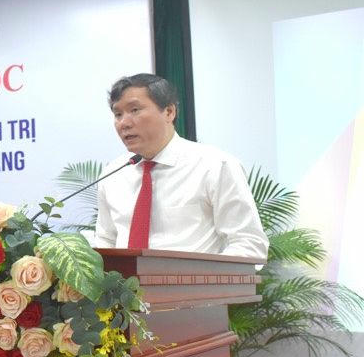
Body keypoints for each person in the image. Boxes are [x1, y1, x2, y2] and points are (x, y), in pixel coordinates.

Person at [95, 73, 269, 259]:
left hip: (196, 278)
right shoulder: (113, 174)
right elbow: (105, 239)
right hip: (123, 279)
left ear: (169, 112)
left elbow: (249, 243)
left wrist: (204, 275)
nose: (124, 123)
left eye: (135, 110)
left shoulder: (214, 166)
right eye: (118, 114)